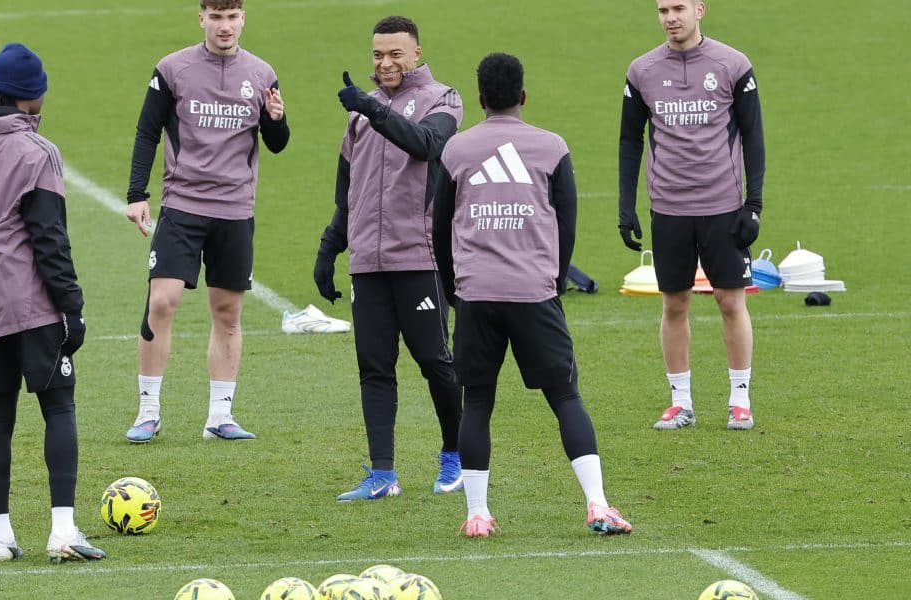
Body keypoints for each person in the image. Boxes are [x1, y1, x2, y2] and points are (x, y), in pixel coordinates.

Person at [433, 52, 633, 537]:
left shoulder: (457, 151)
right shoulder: (552, 147)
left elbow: (438, 229)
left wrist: (454, 287)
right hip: (534, 292)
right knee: (565, 396)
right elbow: (567, 224)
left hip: (477, 293)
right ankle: (597, 504)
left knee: (477, 401)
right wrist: (554, 279)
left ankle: (477, 514)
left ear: (480, 98)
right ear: (523, 96)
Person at [0, 43, 106, 562]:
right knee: (58, 405)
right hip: (31, 305)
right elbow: (48, 239)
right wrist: (72, 306)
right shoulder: (38, 153)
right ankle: (62, 532)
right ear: (33, 98)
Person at [123, 0, 289, 443]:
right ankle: (148, 411)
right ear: (201, 19)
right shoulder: (172, 69)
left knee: (228, 312)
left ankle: (219, 417)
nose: (225, 26)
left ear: (243, 19)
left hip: (235, 210)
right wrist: (137, 194)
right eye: (216, 17)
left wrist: (277, 120)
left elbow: (276, 144)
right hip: (182, 205)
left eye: (232, 17)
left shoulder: (262, 73)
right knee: (162, 301)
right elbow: (147, 131)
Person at [314, 15, 464, 501]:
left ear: (417, 54)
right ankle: (383, 474)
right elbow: (347, 185)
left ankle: (455, 455)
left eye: (396, 53)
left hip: (419, 256)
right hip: (368, 262)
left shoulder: (443, 99)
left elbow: (426, 145)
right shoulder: (361, 112)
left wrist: (371, 110)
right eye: (378, 54)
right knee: (374, 366)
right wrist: (330, 247)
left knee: (434, 361)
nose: (385, 63)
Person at [618, 0, 765, 430]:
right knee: (675, 302)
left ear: (700, 10)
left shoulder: (733, 65)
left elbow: (754, 136)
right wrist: (626, 206)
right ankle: (680, 402)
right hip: (668, 207)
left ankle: (741, 399)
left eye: (678, 8)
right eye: (663, 10)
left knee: (729, 300)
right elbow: (630, 141)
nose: (670, 18)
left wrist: (753, 204)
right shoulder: (641, 70)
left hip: (723, 206)